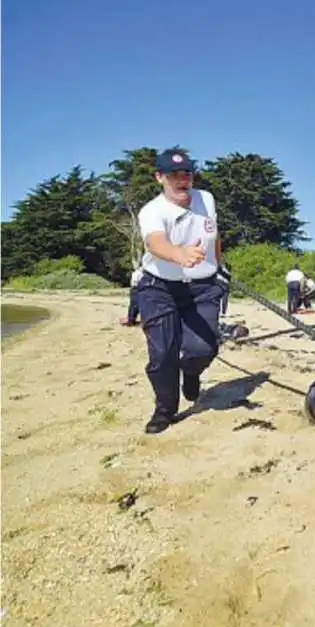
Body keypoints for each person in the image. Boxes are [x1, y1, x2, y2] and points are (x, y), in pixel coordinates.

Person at [136, 148, 226, 435]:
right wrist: (179, 255)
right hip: (159, 287)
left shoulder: (206, 199)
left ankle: (191, 372)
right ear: (159, 177)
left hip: (203, 287)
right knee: (163, 355)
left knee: (204, 348)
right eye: (173, 174)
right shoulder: (152, 211)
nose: (181, 179)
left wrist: (220, 268)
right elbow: (155, 244)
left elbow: (214, 237)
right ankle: (165, 410)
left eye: (186, 173)